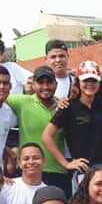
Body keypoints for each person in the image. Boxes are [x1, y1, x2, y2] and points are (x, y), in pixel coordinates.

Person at [43, 61, 102, 185]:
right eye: (85, 80)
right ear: (78, 82)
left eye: (94, 81)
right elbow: (47, 136)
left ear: (99, 83)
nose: (90, 84)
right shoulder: (68, 107)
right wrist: (66, 163)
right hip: (83, 171)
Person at [7, 66, 70, 195]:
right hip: (29, 171)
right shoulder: (22, 102)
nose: (45, 87)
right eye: (41, 82)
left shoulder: (63, 107)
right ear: (33, 84)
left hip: (58, 172)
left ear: (56, 84)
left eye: (49, 82)